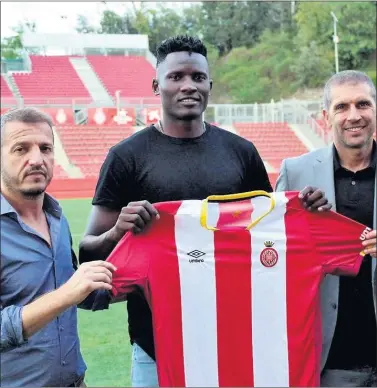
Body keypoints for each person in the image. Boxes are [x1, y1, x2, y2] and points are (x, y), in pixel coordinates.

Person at [79, 35, 331, 387]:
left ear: (210, 85)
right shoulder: (126, 157)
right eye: (176, 77)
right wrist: (117, 231)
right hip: (156, 346)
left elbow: (270, 236)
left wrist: (307, 211)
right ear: (156, 85)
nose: (188, 86)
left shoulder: (240, 152)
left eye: (198, 78)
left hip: (235, 340)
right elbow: (88, 251)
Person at [0, 107, 116, 387]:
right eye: (20, 149)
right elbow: (67, 293)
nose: (36, 159)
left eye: (46, 148)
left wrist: (132, 281)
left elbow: (76, 290)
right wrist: (66, 294)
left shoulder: (56, 218)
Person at [276, 70, 377, 387]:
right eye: (342, 107)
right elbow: (272, 254)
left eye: (363, 104)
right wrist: (300, 225)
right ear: (325, 116)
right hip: (328, 361)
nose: (354, 116)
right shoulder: (296, 173)